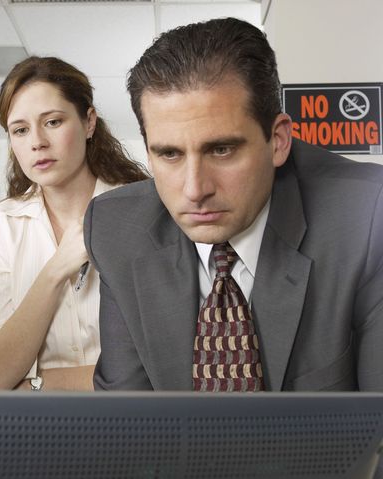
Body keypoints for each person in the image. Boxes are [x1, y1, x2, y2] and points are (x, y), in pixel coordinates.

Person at [84, 17, 383, 392]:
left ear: (277, 141)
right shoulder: (117, 230)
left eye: (221, 150)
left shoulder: (367, 215)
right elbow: (128, 425)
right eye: (169, 154)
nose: (195, 189)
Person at [0, 56, 148, 391]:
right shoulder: (2, 225)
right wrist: (57, 268)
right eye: (20, 130)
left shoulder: (142, 212)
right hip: (37, 435)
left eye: (52, 122)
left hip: (132, 427)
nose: (37, 141)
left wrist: (37, 386)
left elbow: (154, 369)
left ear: (89, 122)